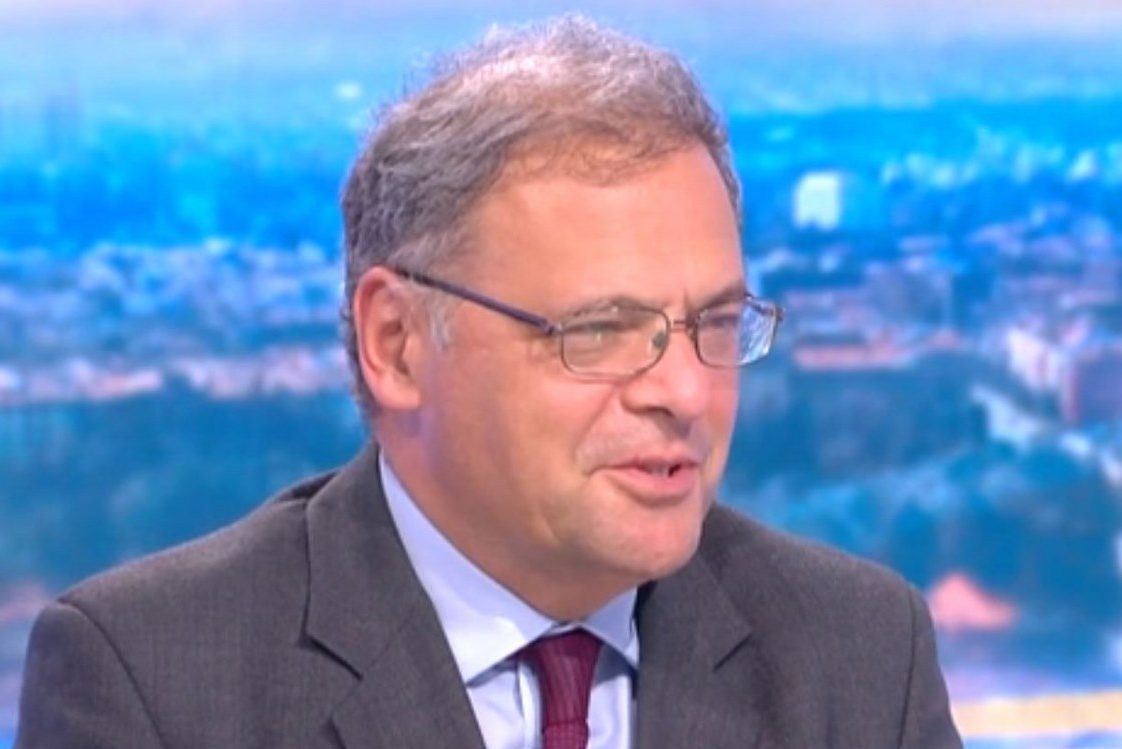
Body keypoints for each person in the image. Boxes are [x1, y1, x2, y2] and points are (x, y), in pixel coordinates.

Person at [16, 16, 962, 749]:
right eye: (601, 329)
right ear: (397, 344)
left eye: (713, 324)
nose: (684, 390)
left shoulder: (859, 654)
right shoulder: (153, 685)